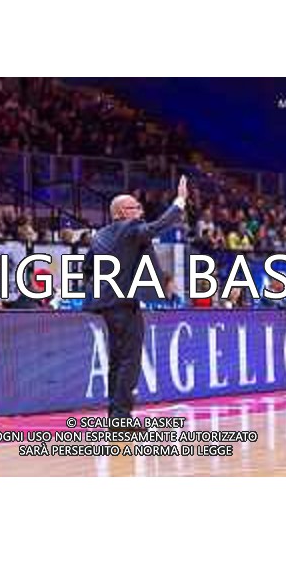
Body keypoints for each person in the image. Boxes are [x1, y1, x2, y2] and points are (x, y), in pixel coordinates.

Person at [82, 176, 188, 424]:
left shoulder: (100, 235)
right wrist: (180, 202)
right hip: (124, 304)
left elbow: (87, 268)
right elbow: (157, 226)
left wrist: (100, 290)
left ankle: (115, 415)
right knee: (130, 360)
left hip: (107, 305)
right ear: (121, 213)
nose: (140, 212)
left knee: (117, 360)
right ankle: (121, 417)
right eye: (135, 208)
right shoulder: (129, 228)